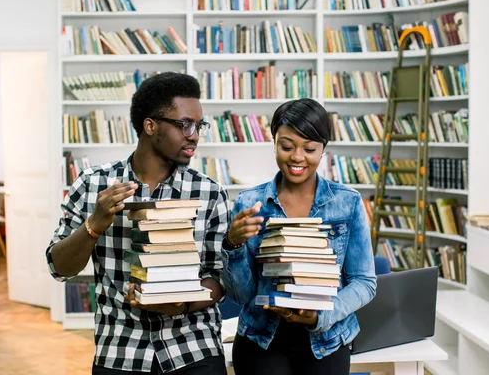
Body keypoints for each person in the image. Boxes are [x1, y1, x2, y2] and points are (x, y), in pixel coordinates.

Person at [46, 72, 229, 375]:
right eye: (185, 124)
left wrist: (182, 305)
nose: (194, 134)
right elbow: (59, 268)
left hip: (193, 346)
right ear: (150, 126)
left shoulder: (210, 193)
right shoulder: (93, 185)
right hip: (120, 349)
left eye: (199, 125)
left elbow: (220, 280)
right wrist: (95, 224)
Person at [221, 98, 377, 375]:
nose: (297, 157)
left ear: (323, 150)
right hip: (261, 338)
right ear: (274, 144)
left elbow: (364, 282)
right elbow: (241, 295)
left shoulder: (348, 202)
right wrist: (233, 243)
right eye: (287, 146)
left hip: (327, 338)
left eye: (310, 148)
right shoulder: (250, 202)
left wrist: (322, 315)